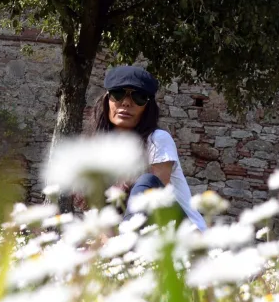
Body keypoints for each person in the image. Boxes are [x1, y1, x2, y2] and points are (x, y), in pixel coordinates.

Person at [88, 65, 206, 229]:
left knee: (148, 181)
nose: (127, 103)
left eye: (139, 97)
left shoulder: (157, 139)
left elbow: (155, 202)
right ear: (107, 100)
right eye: (118, 94)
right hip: (137, 237)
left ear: (148, 107)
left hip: (184, 233)